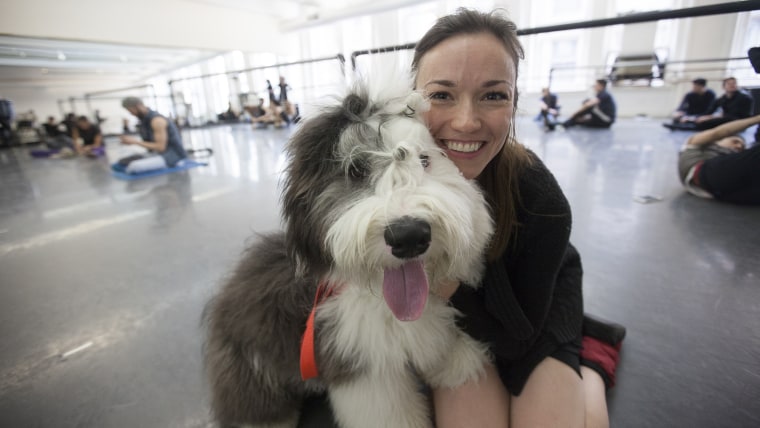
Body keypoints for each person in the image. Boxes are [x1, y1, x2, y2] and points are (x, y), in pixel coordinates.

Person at [411, 9, 627, 428]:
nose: (466, 121)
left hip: (530, 308)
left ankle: (595, 359)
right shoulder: (391, 175)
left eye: (493, 95)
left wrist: (449, 284)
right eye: (441, 95)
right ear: (411, 98)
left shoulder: (542, 201)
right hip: (460, 317)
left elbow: (515, 340)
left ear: (513, 102)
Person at [678, 113, 760, 205]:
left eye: (742, 145)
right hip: (705, 172)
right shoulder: (694, 145)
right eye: (735, 141)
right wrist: (757, 119)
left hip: (718, 191)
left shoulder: (735, 161)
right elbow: (717, 132)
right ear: (717, 141)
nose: (739, 146)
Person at [115, 96, 187, 174]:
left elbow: (160, 147)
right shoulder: (145, 120)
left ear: (138, 105)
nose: (131, 114)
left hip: (172, 156)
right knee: (121, 163)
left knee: (133, 167)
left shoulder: (157, 121)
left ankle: (170, 164)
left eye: (131, 110)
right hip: (157, 153)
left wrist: (135, 142)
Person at [687, 77, 754, 131]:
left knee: (705, 123)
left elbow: (734, 115)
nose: (732, 85)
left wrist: (711, 117)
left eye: (734, 83)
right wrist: (697, 117)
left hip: (738, 121)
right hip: (726, 118)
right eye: (729, 84)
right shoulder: (723, 98)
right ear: (723, 87)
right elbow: (710, 111)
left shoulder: (743, 97)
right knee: (700, 120)